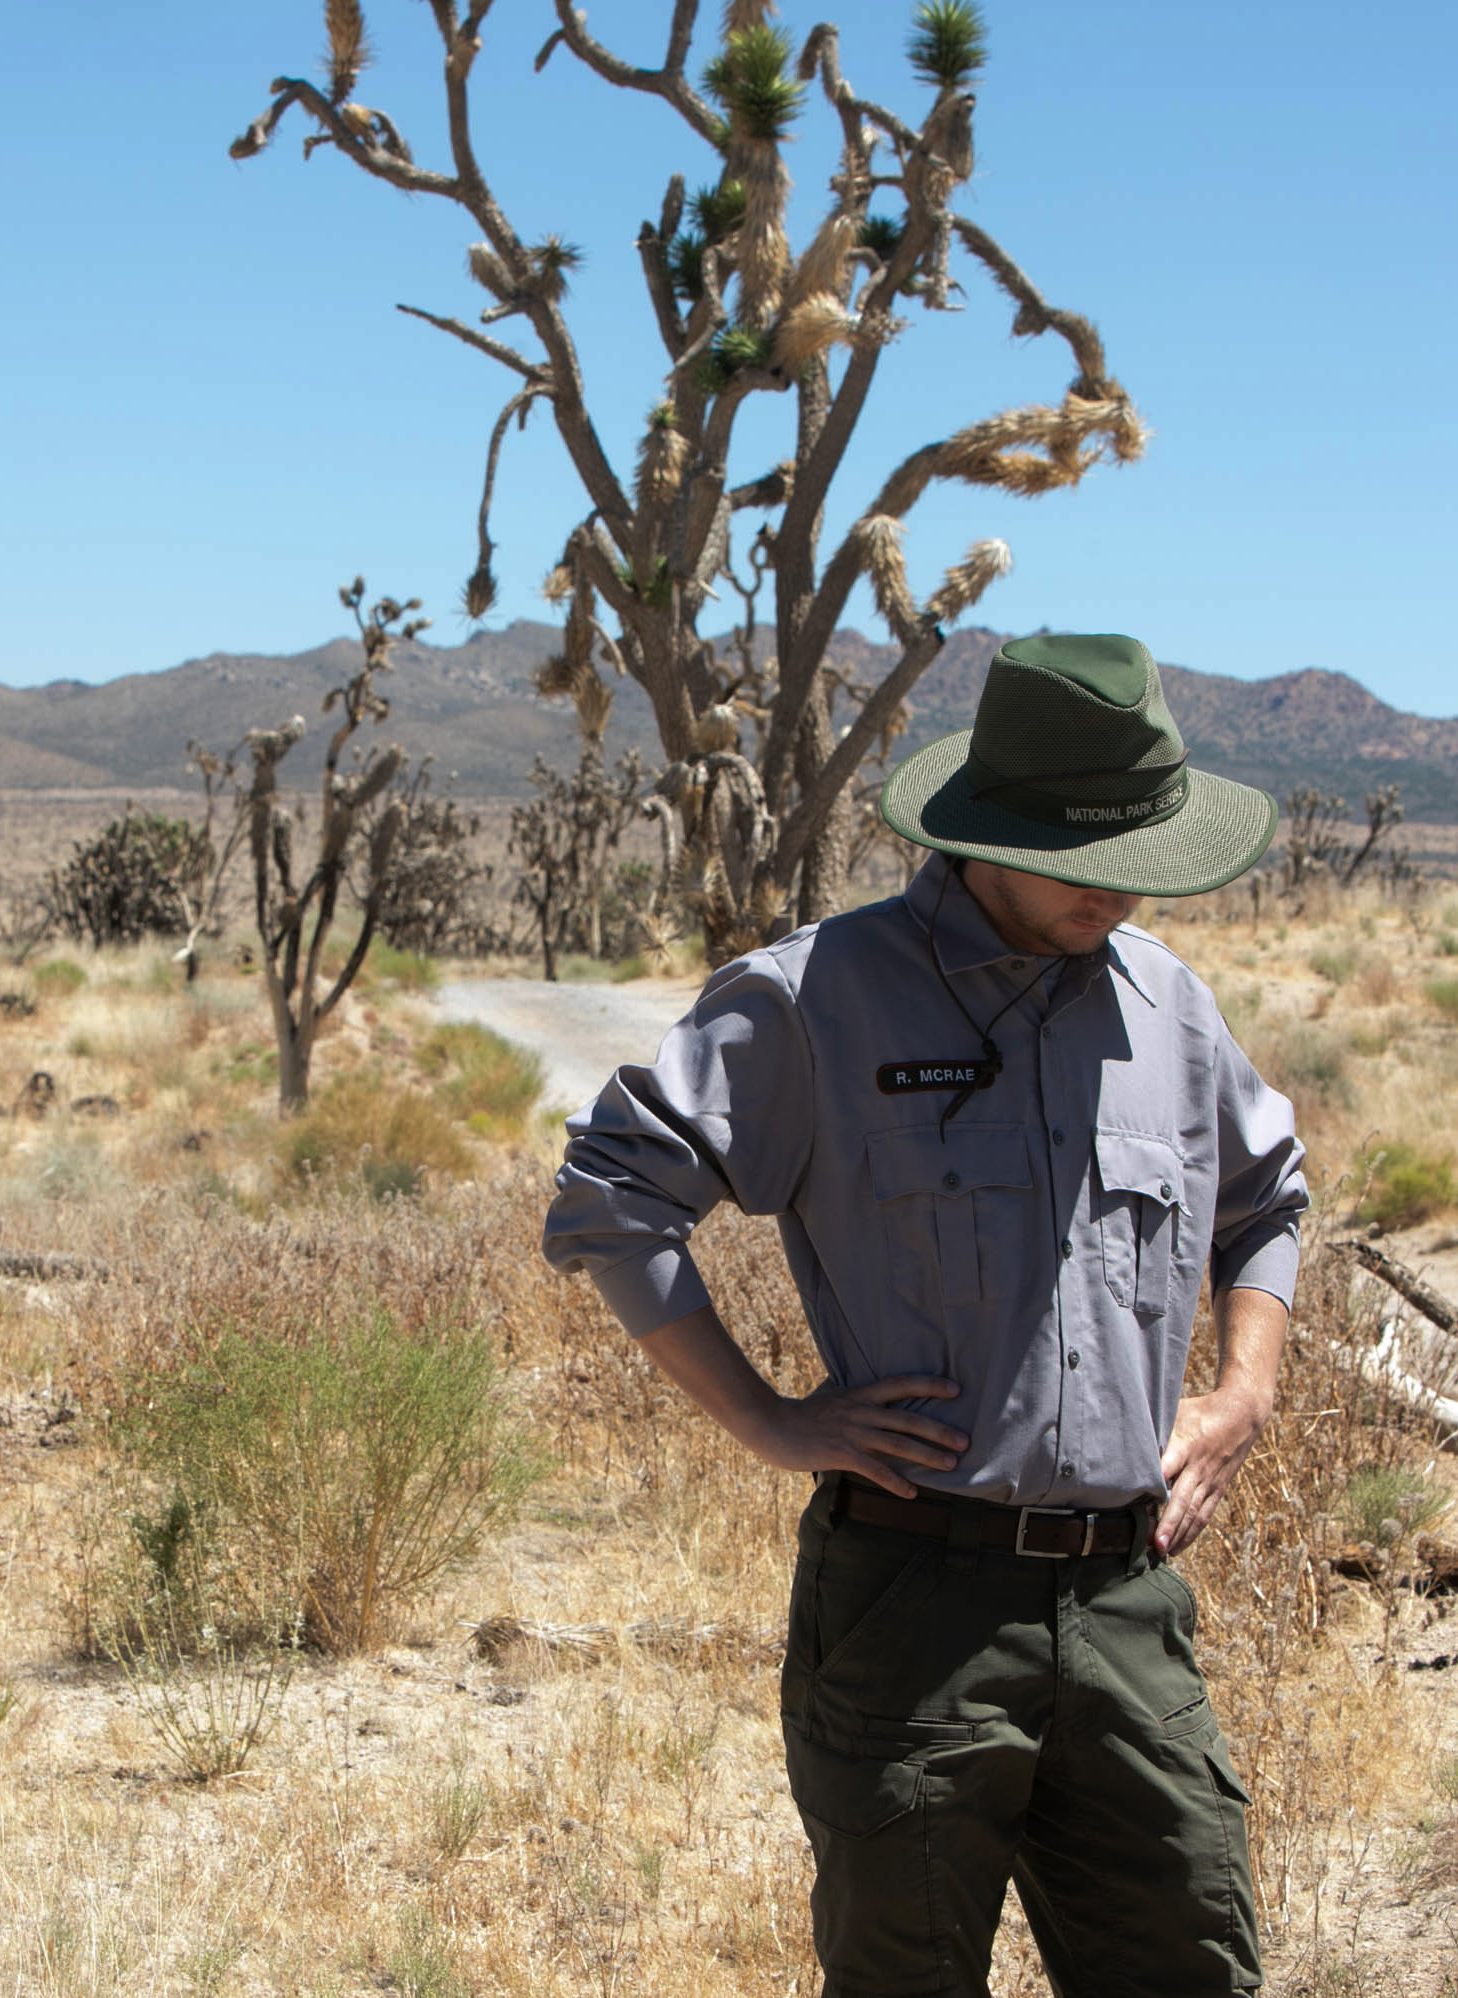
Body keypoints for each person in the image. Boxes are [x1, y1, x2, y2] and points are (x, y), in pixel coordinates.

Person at [544, 633, 1305, 1995]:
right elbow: (613, 1194)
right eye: (1093, 859)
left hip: (1129, 1599)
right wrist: (773, 1420)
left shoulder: (1173, 1010)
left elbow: (1269, 1200)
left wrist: (1244, 1389)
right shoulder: (815, 999)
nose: (1126, 893)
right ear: (991, 831)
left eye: (1148, 854)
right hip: (914, 1603)